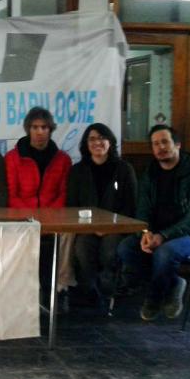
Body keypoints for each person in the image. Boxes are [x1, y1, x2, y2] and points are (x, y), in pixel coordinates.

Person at [118, 124, 190, 321]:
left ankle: (153, 299)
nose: (160, 147)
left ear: (178, 145)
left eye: (165, 142)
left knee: (165, 253)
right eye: (156, 144)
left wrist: (163, 236)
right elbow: (142, 209)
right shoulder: (151, 173)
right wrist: (145, 232)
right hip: (156, 233)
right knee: (125, 248)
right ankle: (174, 283)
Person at [5, 107, 72, 306]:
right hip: (22, 218)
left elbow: (63, 194)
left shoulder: (63, 159)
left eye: (44, 127)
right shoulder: (12, 158)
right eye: (35, 127)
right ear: (28, 129)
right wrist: (33, 218)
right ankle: (24, 296)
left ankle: (57, 291)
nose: (40, 131)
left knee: (63, 240)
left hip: (53, 220)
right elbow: (11, 194)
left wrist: (47, 219)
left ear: (50, 129)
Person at [67, 123, 137, 311]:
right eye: (92, 139)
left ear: (110, 142)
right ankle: (91, 292)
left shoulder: (123, 169)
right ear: (85, 144)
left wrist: (108, 227)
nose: (97, 142)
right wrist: (91, 228)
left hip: (116, 229)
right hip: (86, 229)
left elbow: (130, 205)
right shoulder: (78, 171)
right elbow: (72, 205)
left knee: (109, 251)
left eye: (102, 138)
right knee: (82, 249)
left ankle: (108, 290)